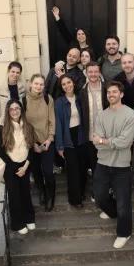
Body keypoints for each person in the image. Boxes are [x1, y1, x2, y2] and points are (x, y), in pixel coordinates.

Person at [93, 81, 134, 249]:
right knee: (100, 196)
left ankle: (124, 233)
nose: (111, 94)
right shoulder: (101, 115)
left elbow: (125, 142)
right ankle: (111, 212)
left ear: (121, 94)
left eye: (114, 92)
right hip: (103, 162)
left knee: (123, 202)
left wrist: (104, 140)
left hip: (122, 165)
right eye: (108, 92)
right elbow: (96, 142)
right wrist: (110, 142)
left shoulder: (130, 115)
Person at [0, 99, 36, 234]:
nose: (15, 111)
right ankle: (18, 224)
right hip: (10, 167)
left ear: (21, 110)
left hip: (25, 165)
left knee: (26, 194)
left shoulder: (28, 127)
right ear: (8, 112)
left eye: (17, 108)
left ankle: (29, 218)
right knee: (14, 197)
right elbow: (1, 152)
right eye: (12, 109)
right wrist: (15, 168)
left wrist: (25, 167)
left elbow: (31, 149)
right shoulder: (2, 129)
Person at [24, 74, 56, 211]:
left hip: (47, 141)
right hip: (32, 143)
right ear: (31, 84)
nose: (39, 86)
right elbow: (23, 124)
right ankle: (42, 192)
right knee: (36, 171)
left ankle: (50, 196)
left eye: (41, 84)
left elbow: (51, 121)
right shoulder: (23, 100)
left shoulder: (47, 99)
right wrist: (33, 144)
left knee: (48, 172)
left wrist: (49, 139)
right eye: (36, 83)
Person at [55, 75, 87, 207]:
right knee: (73, 170)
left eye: (69, 82)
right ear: (61, 87)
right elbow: (59, 125)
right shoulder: (59, 102)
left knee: (83, 168)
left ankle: (81, 192)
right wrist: (60, 146)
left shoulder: (80, 98)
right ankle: (75, 199)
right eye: (64, 84)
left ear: (73, 83)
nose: (67, 85)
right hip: (68, 137)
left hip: (81, 135)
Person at [80, 62, 109, 200]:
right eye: (90, 72)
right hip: (91, 135)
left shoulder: (107, 88)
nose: (93, 74)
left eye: (95, 71)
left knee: (107, 164)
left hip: (107, 135)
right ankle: (96, 191)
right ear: (86, 73)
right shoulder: (82, 90)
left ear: (99, 72)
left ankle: (108, 189)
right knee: (94, 164)